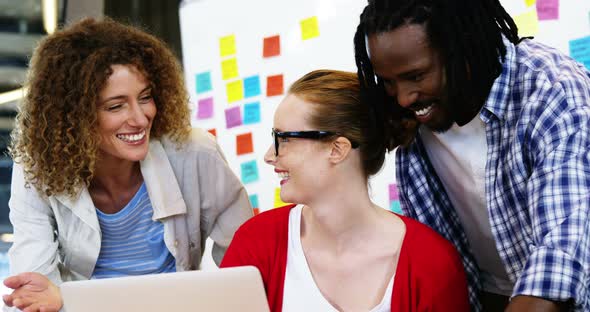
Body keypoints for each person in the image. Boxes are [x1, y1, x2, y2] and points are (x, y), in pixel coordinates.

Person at [2, 18, 252, 312]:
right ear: (74, 116)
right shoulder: (38, 167)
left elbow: (247, 267)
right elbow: (34, 291)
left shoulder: (195, 152)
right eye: (116, 106)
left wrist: (70, 300)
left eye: (145, 98)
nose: (140, 118)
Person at [354, 0, 590, 311]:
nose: (403, 97)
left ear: (462, 47)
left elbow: (559, 261)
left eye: (416, 76)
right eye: (387, 82)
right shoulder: (410, 120)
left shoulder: (553, 92)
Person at [220, 69, 470, 312]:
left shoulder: (433, 263)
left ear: (337, 149)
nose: (270, 156)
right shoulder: (255, 243)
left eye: (284, 139)